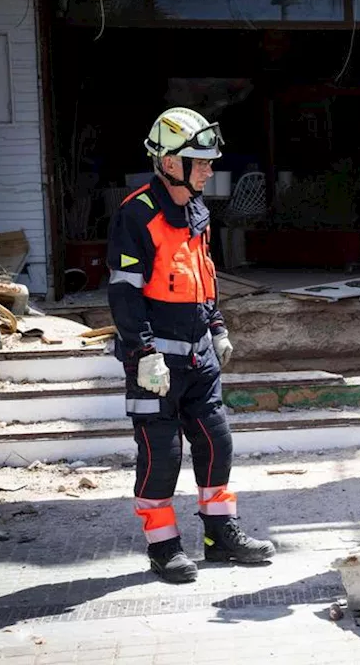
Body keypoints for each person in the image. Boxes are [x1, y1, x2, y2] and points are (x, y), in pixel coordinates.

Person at [107, 107, 276, 583]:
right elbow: (123, 292)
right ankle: (163, 547)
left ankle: (219, 535)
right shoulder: (136, 213)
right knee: (161, 455)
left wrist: (217, 325)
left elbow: (202, 278)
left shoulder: (197, 210)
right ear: (167, 162)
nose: (208, 169)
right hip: (155, 363)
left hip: (199, 356)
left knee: (216, 442)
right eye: (198, 161)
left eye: (207, 161)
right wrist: (142, 355)